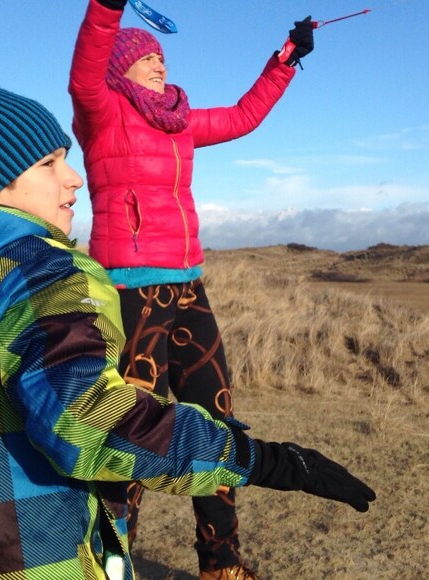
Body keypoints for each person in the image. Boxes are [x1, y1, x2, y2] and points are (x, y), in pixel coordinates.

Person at [0, 80, 374, 580]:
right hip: (31, 554)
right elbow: (89, 419)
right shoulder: (36, 270)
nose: (73, 177)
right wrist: (261, 460)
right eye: (49, 163)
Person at [69, 1, 316, 577]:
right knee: (128, 438)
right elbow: (85, 69)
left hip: (188, 289)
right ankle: (108, 568)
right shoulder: (101, 111)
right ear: (121, 68)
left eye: (162, 56)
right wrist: (107, 8)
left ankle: (221, 564)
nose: (160, 64)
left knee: (217, 424)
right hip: (129, 293)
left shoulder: (178, 122)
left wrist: (285, 60)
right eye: (148, 58)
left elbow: (243, 116)